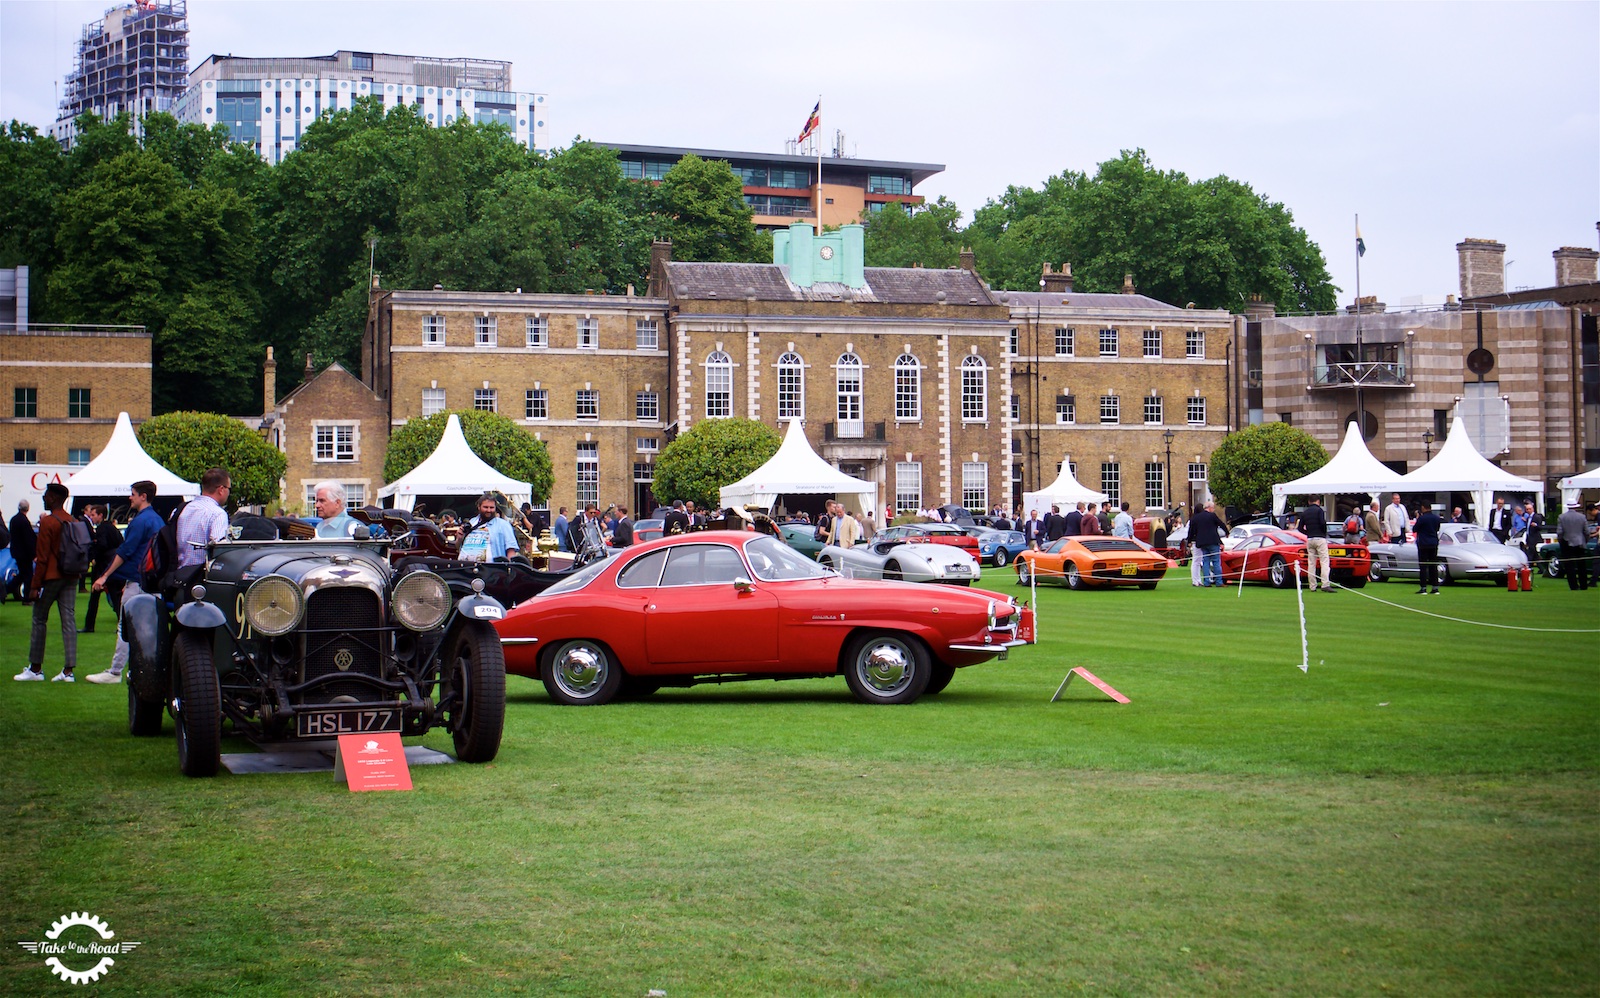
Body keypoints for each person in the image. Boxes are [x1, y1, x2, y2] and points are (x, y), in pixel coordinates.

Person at [85, 481, 164, 685]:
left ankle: (115, 671)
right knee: (151, 628)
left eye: (133, 494)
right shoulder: (157, 520)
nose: (130, 497)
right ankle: (153, 670)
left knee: (125, 626)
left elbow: (125, 551)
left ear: (143, 496)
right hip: (152, 581)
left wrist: (104, 576)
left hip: (137, 581)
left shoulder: (140, 521)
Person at [15, 483, 81, 682]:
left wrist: (35, 586)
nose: (44, 498)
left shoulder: (49, 522)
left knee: (39, 619)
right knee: (68, 621)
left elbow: (42, 557)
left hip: (52, 576)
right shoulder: (72, 520)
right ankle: (68, 671)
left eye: (46, 495)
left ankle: (36, 669)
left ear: (53, 498)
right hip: (71, 575)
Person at [176, 468, 232, 572]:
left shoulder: (183, 508)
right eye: (229, 489)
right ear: (221, 489)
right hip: (201, 576)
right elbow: (219, 550)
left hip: (179, 574)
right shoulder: (217, 514)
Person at [79, 504, 123, 632]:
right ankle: (120, 625)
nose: (91, 517)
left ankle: (90, 625)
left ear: (101, 515)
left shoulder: (102, 529)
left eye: (93, 515)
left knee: (100, 596)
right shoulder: (112, 528)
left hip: (103, 566)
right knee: (114, 597)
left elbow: (102, 545)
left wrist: (93, 554)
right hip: (112, 565)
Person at [463, 493, 519, 561]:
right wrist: (460, 538)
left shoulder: (504, 525)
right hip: (468, 567)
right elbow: (460, 547)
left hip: (492, 569)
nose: (489, 510)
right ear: (479, 507)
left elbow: (511, 550)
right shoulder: (472, 522)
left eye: (491, 507)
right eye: (485, 507)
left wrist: (509, 568)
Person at [1188, 500, 1226, 587]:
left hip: (1202, 543)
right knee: (1216, 561)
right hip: (1213, 541)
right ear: (1210, 508)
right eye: (1213, 508)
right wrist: (1227, 532)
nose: (1214, 509)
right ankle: (1219, 582)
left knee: (1206, 562)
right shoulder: (1212, 516)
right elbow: (1221, 524)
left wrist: (1189, 541)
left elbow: (1192, 531)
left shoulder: (1196, 517)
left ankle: (1206, 582)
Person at [1299, 496, 1332, 591]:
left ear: (1309, 501)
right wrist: (1323, 533)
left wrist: (1308, 533)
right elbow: (1322, 523)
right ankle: (1325, 584)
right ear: (1318, 501)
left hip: (1310, 539)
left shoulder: (1305, 512)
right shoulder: (1319, 511)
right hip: (1320, 538)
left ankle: (1312, 586)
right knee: (1324, 561)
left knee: (1311, 563)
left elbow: (1300, 528)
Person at [1556, 500, 1590, 591]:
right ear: (1576, 506)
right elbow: (1586, 532)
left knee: (1569, 566)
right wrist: (1585, 541)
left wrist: (1561, 541)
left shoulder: (1561, 517)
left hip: (1567, 542)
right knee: (1581, 565)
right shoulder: (1582, 517)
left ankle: (1573, 586)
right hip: (1580, 542)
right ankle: (1583, 585)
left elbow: (1559, 532)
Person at [8, 499, 35, 603]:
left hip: (16, 552)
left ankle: (6, 589)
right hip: (24, 554)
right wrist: (33, 553)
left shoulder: (13, 519)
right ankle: (27, 598)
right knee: (28, 575)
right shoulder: (24, 521)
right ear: (27, 508)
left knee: (23, 574)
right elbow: (28, 539)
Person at [1414, 502, 1443, 595]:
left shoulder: (1422, 518)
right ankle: (1435, 587)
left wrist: (1418, 518)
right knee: (1433, 566)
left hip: (1423, 544)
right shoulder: (1436, 518)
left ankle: (1423, 587)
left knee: (1423, 566)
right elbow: (1437, 529)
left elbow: (1415, 529)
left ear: (1423, 508)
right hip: (1433, 543)